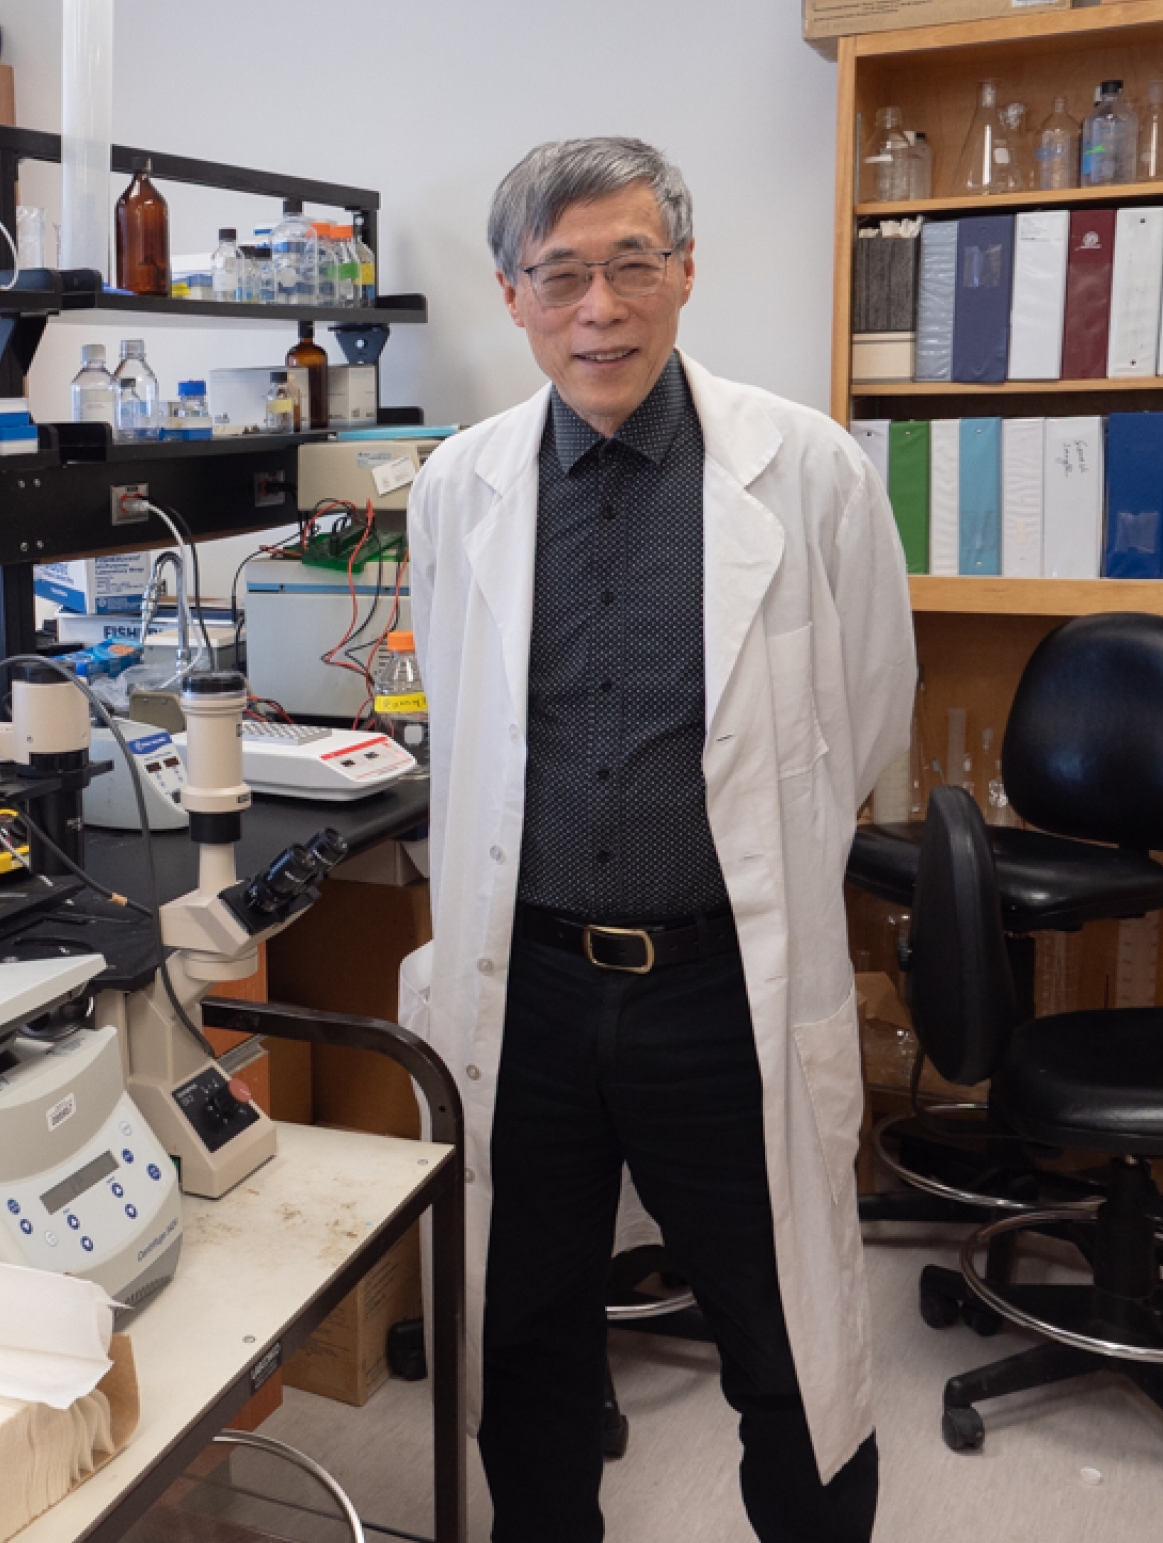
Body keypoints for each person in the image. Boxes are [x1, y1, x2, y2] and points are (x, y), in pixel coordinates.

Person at [401, 136, 914, 1542]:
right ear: (511, 296)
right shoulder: (460, 489)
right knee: (529, 1348)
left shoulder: (805, 472)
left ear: (686, 271)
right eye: (561, 274)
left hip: (722, 989)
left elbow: (868, 718)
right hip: (534, 993)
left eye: (632, 264)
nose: (600, 308)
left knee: (787, 1355)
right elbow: (466, 718)